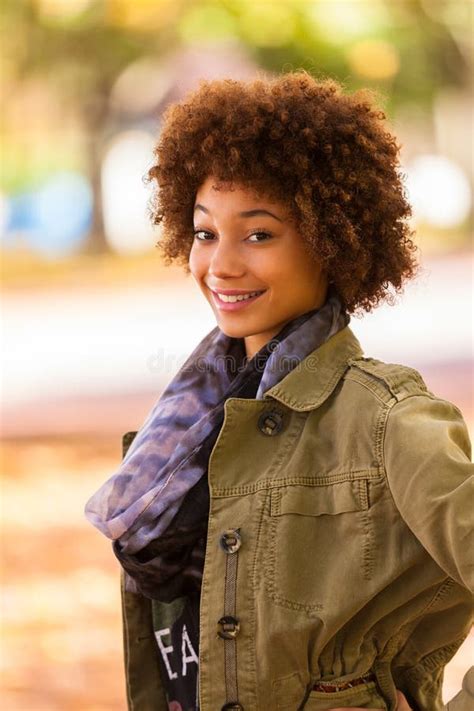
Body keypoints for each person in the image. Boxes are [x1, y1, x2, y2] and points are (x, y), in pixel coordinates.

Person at [84, 71, 473, 711]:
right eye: (206, 232)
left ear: (331, 241)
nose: (222, 265)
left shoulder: (388, 418)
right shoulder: (188, 426)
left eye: (259, 234)